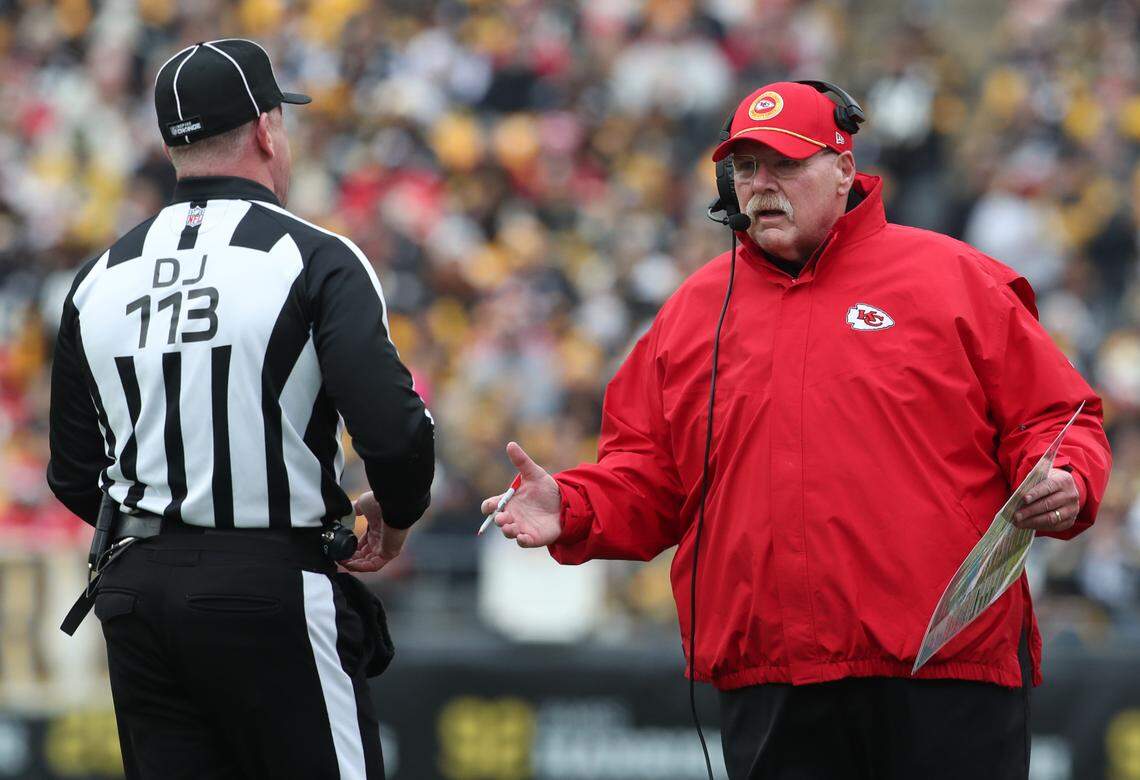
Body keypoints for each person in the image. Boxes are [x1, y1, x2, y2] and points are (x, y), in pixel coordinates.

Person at [481, 81, 1112, 779]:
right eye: (747, 168)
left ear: (844, 169)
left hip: (945, 668)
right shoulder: (692, 315)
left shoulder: (955, 279)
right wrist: (572, 506)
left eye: (786, 164)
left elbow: (1057, 418)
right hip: (773, 676)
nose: (761, 185)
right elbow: (652, 477)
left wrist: (1068, 479)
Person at [47, 39, 434, 779]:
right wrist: (399, 508)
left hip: (136, 594)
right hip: (269, 585)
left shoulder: (98, 277)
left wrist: (170, 528)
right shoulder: (313, 256)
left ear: (170, 145)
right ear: (265, 129)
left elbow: (72, 472)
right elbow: (392, 426)